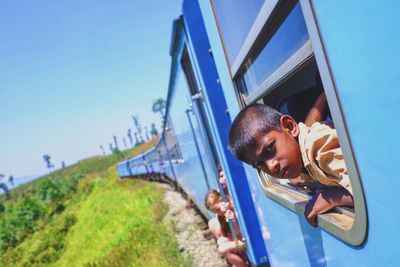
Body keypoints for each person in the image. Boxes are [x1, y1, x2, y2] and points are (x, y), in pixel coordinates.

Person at [228, 103, 353, 226]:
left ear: (289, 126)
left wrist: (331, 196)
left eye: (269, 149)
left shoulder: (320, 148)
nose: (271, 166)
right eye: (260, 164)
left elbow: (368, 193)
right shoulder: (300, 160)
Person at [205, 189, 247, 267]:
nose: (218, 214)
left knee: (222, 249)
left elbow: (241, 233)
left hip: (244, 241)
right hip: (238, 242)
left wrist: (233, 220)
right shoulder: (222, 216)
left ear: (221, 200)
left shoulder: (233, 206)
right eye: (215, 212)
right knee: (221, 241)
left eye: (217, 209)